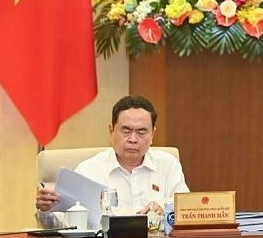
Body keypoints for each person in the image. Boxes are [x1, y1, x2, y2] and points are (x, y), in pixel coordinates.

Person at [35, 95, 189, 228]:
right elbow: (63, 223)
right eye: (126, 131)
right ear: (111, 130)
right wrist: (46, 210)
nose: (133, 139)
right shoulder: (88, 171)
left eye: (141, 132)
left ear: (152, 134)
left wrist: (166, 209)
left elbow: (187, 211)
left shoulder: (168, 165)